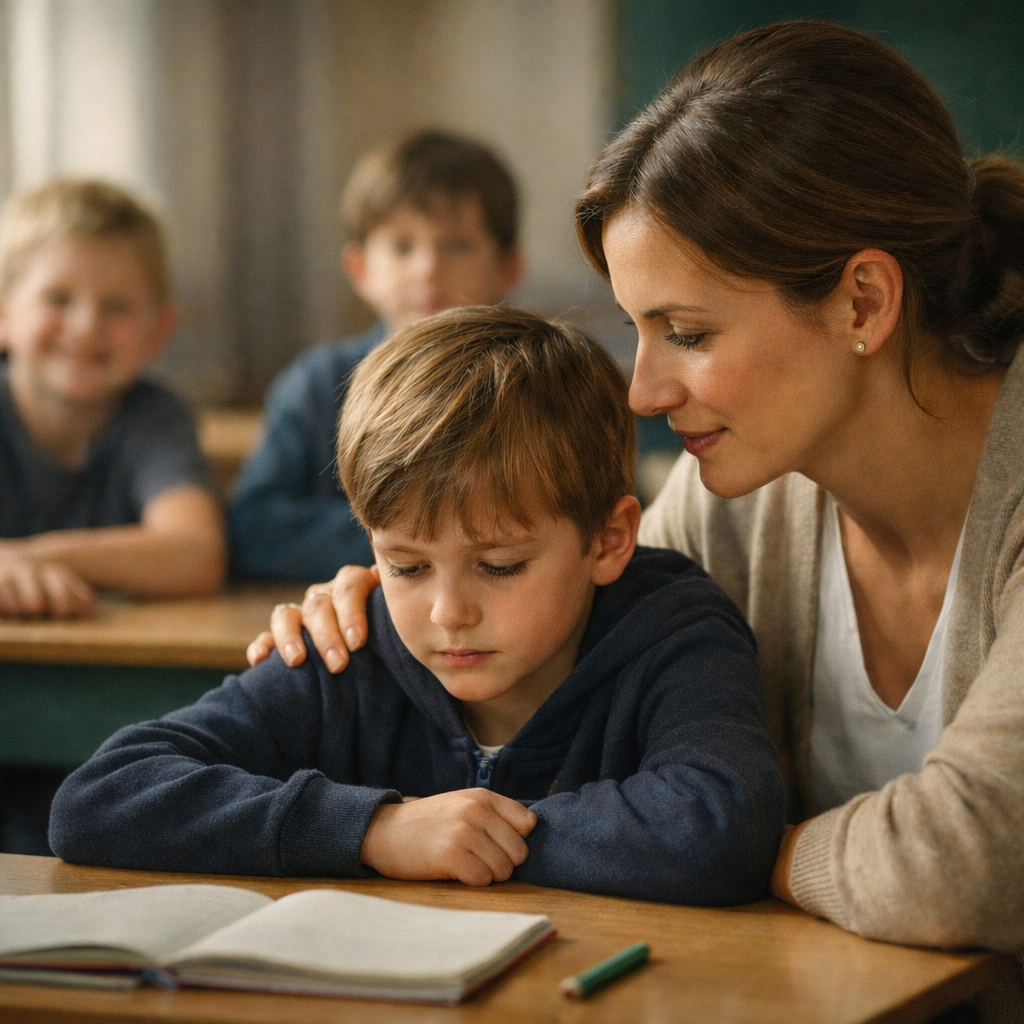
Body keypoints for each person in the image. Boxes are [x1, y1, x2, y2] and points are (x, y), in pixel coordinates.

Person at [250, 21, 1024, 1020]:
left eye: (688, 334)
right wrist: (384, 606)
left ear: (863, 301)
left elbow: (957, 865)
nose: (643, 391)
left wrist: (750, 843)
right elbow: (570, 676)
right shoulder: (735, 493)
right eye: (637, 331)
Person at [49, 307, 786, 904]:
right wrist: (378, 833)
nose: (446, 612)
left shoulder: (675, 631)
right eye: (405, 565)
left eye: (499, 566)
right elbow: (101, 798)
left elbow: (722, 826)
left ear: (608, 539)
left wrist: (473, 836)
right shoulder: (348, 645)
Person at [228, 130, 523, 581]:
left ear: (509, 266)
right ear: (360, 269)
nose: (428, 268)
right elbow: (253, 529)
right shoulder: (319, 383)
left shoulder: (541, 382)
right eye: (402, 246)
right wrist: (417, 542)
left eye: (457, 244)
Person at [0, 179, 224, 618]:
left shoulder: (157, 417)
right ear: (3, 314)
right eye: (58, 298)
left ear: (159, 331)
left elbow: (196, 554)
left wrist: (28, 559)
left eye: (117, 306)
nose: (86, 326)